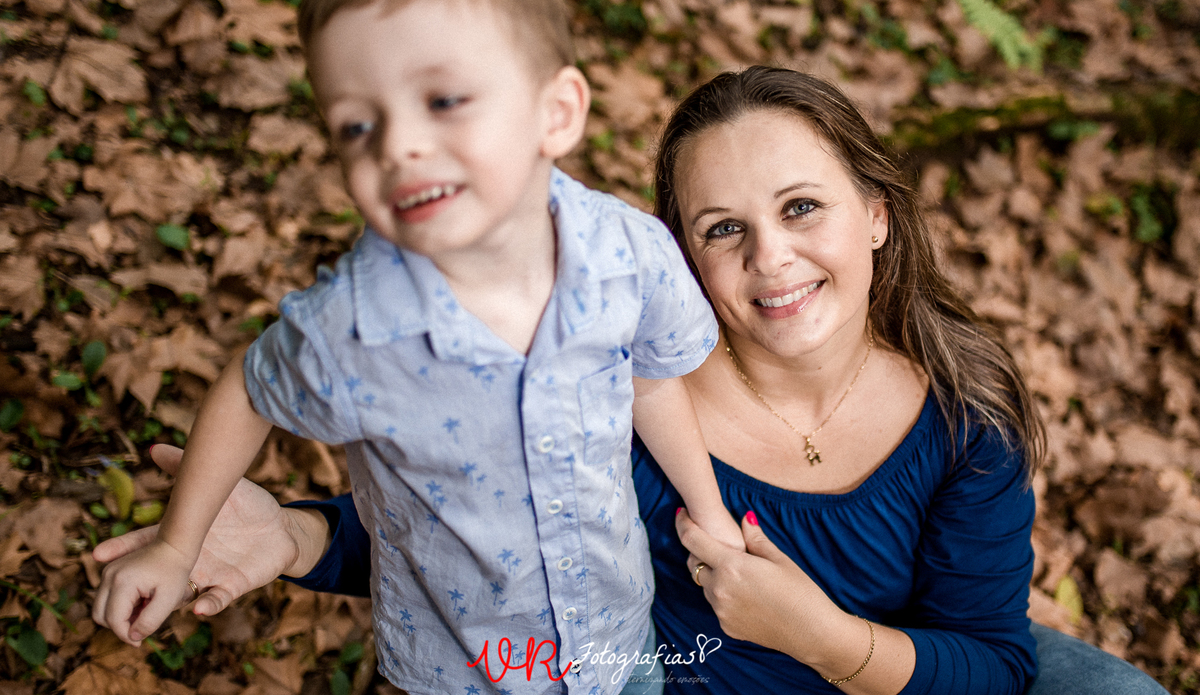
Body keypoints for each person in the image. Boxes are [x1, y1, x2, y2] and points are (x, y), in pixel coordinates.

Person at [95, 67, 1169, 695]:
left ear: (877, 215)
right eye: (724, 229)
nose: (773, 259)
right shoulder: (617, 392)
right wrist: (293, 535)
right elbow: (488, 540)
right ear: (678, 256)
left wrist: (818, 635)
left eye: (802, 208)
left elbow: (992, 666)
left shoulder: (962, 418)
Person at [91, 0, 747, 695]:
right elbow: (247, 387)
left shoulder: (625, 256)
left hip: (615, 634)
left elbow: (651, 382)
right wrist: (177, 542)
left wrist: (709, 513)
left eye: (443, 99)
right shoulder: (354, 327)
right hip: (457, 669)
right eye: (357, 125)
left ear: (556, 113)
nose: (396, 145)